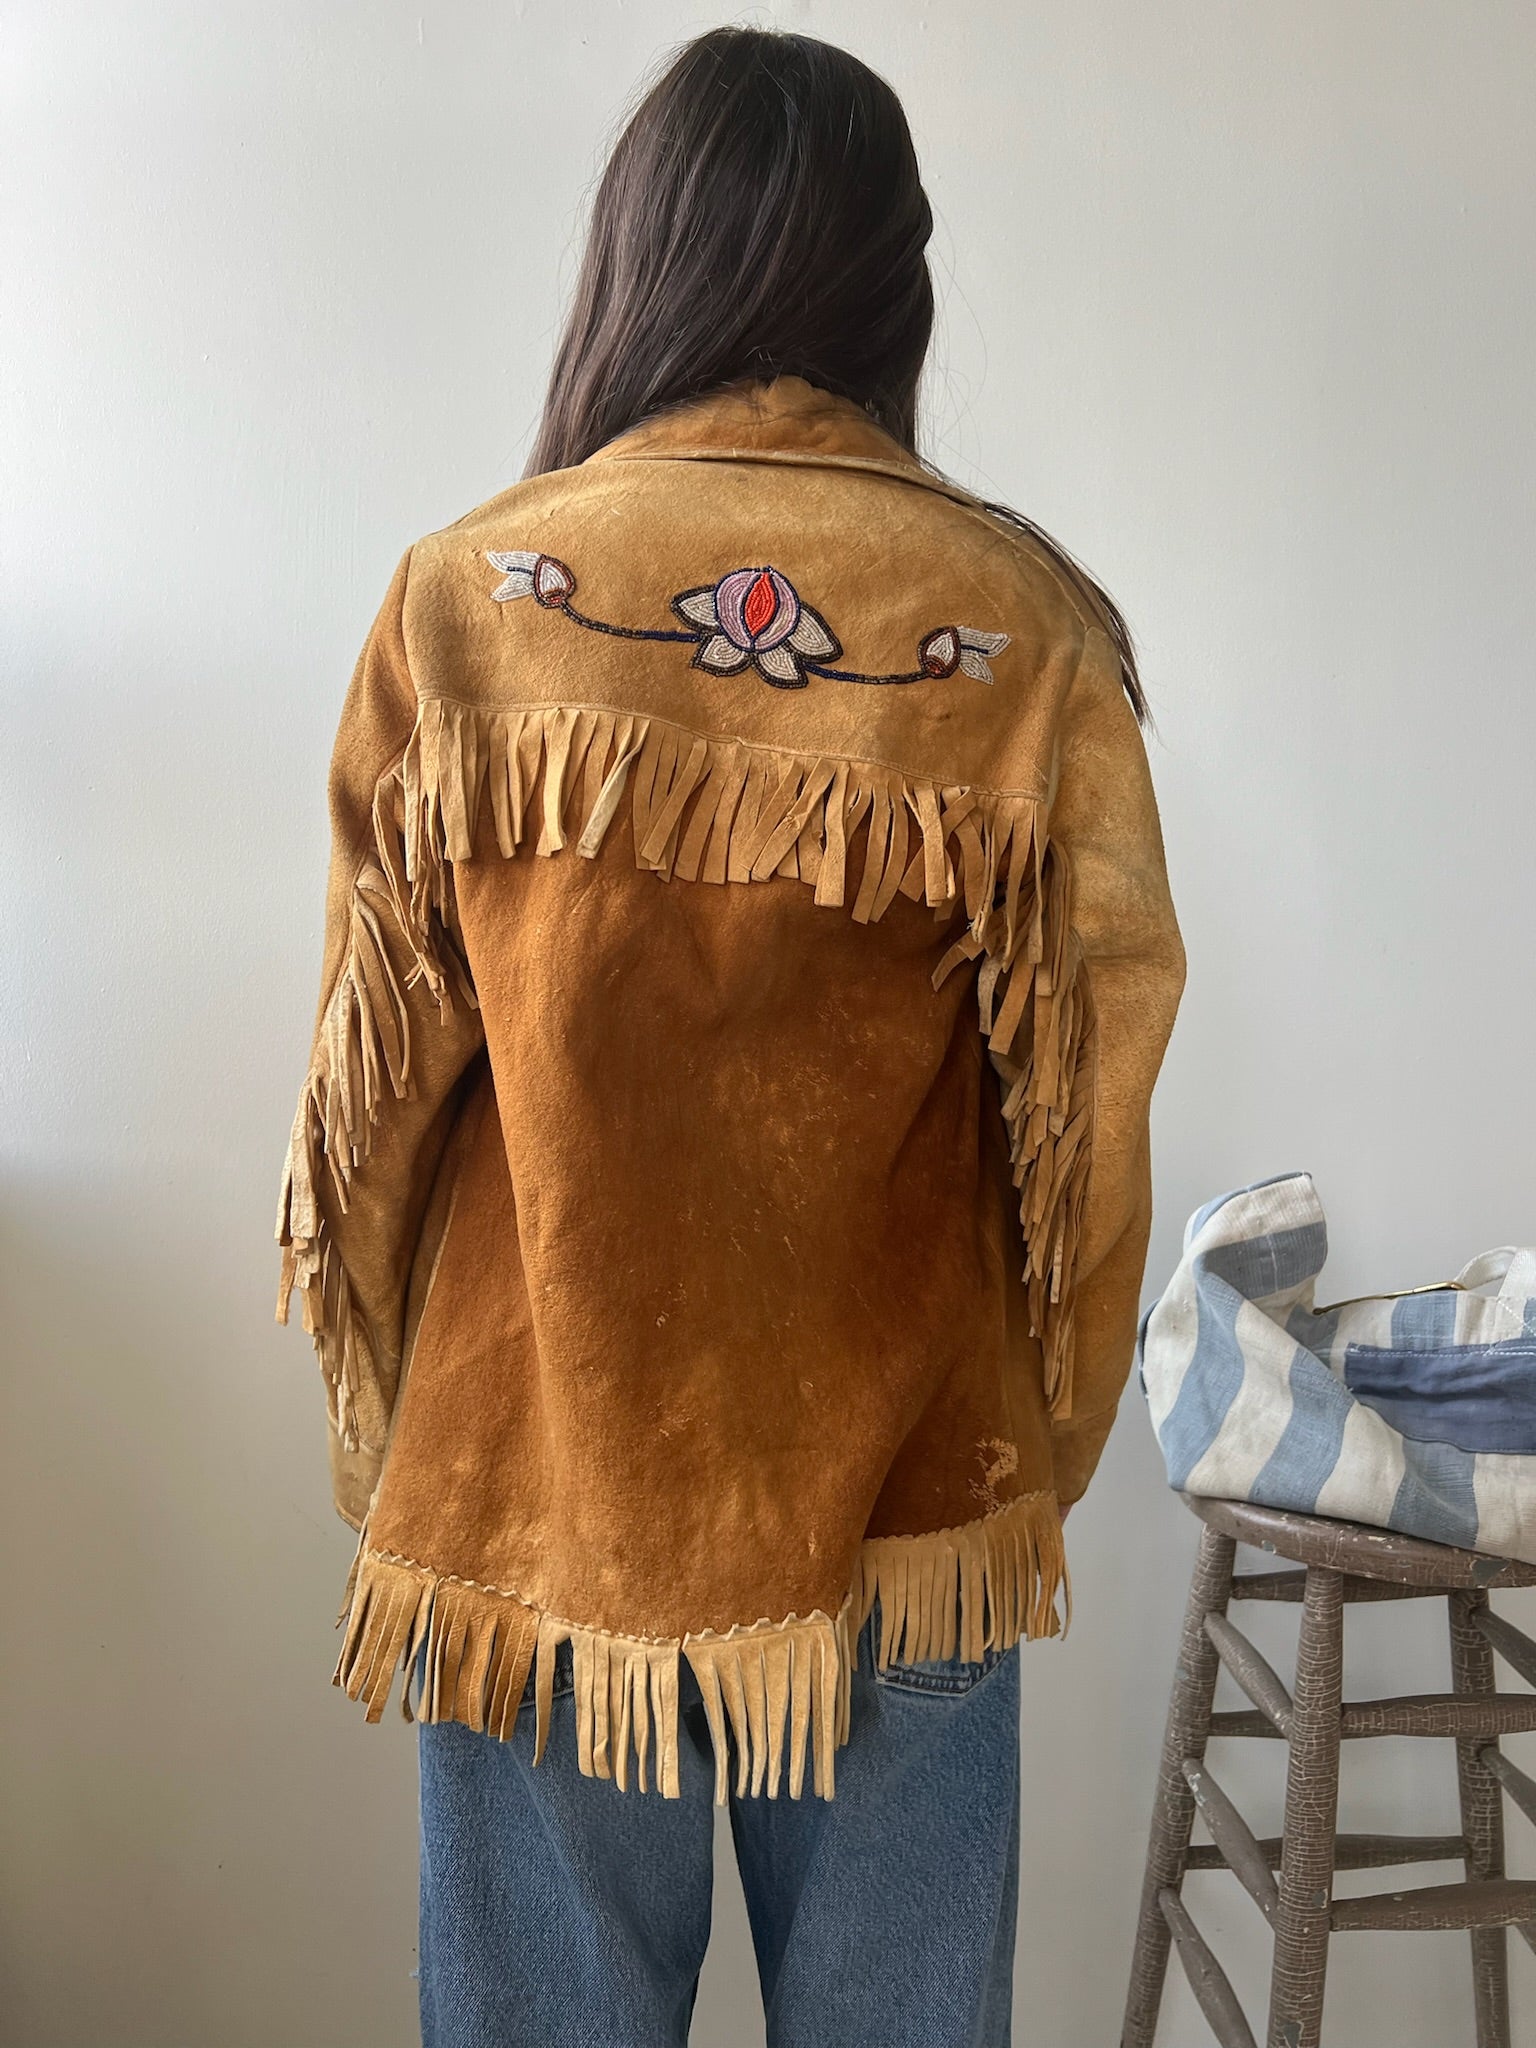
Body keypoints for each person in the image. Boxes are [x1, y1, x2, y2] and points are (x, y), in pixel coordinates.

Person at [275, 25, 1185, 2048]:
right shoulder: (1020, 634)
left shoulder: (467, 604)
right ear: (895, 285)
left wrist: (388, 1438)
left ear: (641, 261)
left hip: (536, 1479)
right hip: (907, 1492)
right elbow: (1088, 1125)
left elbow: (367, 1107)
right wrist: (1037, 1449)